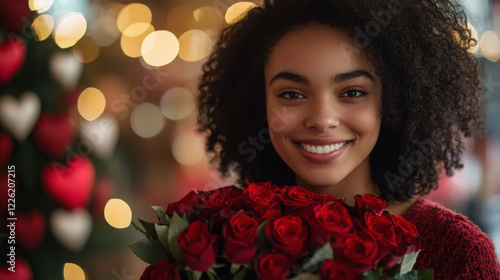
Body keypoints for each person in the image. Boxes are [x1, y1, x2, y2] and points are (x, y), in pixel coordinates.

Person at [196, 0, 500, 278]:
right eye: (291, 94)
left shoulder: (458, 253)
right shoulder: (217, 241)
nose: (322, 119)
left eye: (353, 92)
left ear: (395, 103)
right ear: (257, 104)